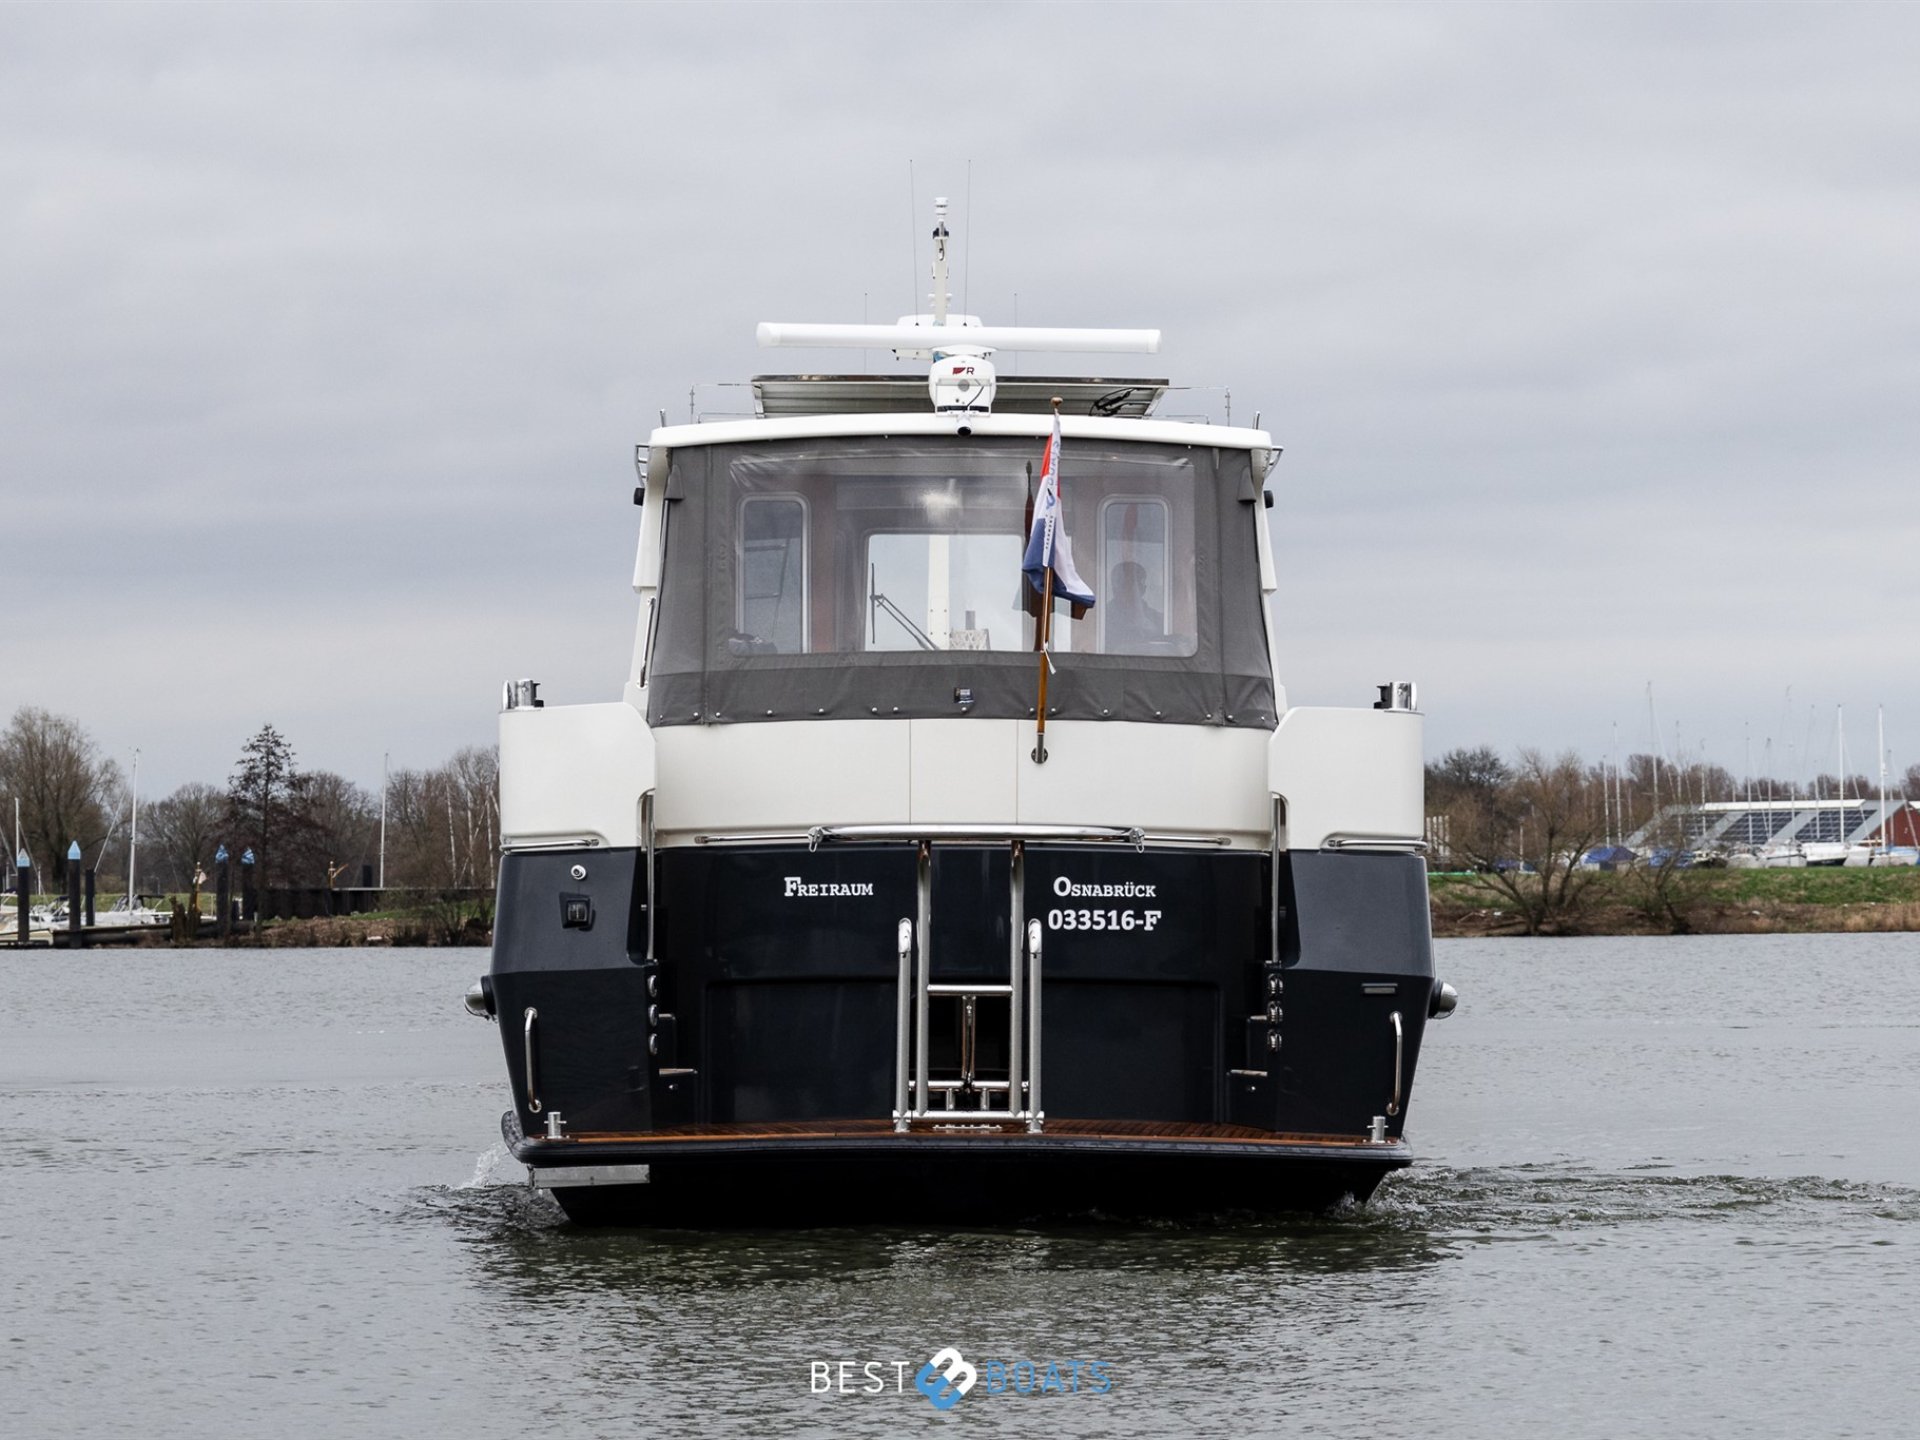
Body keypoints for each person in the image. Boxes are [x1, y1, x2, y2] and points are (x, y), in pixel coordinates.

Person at [1105, 560, 1164, 652]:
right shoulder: (1101, 620)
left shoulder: (1158, 620)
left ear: (1143, 589)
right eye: (1122, 584)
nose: (1127, 589)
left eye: (1132, 584)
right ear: (1114, 587)